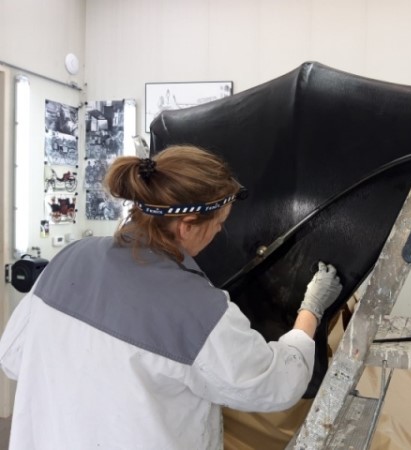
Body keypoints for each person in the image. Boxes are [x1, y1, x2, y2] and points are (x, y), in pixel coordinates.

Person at [0, 145, 343, 449]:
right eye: (219, 223)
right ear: (187, 225)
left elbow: (12, 357)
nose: (219, 231)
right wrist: (311, 310)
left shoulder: (70, 258)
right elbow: (277, 384)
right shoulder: (198, 309)